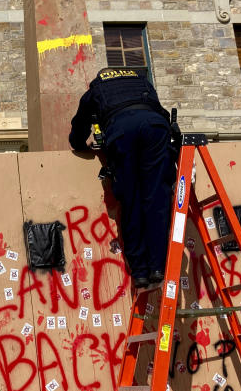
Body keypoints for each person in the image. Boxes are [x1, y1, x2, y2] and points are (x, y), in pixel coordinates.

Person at [69, 67, 176, 289]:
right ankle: (158, 267)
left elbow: (79, 126)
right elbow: (157, 111)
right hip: (155, 128)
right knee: (156, 199)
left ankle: (140, 273)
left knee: (130, 201)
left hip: (121, 130)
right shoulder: (142, 81)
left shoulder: (96, 88)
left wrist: (80, 145)